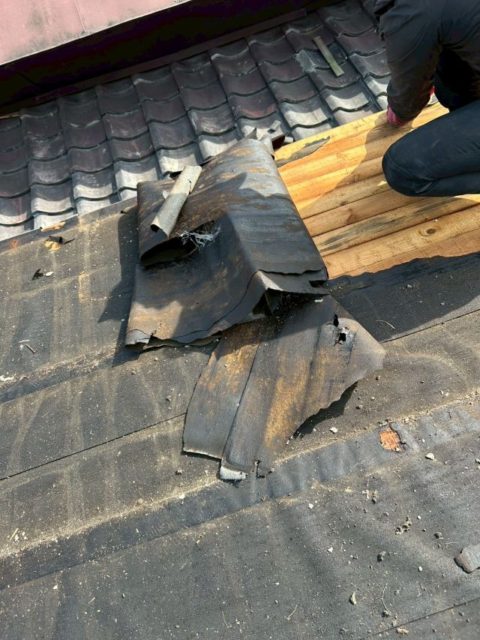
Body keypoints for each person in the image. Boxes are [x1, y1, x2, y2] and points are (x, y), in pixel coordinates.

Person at [375, 0, 480, 197]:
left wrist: (398, 112)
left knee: (401, 168)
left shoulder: (410, 12)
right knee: (447, 59)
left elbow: (407, 99)